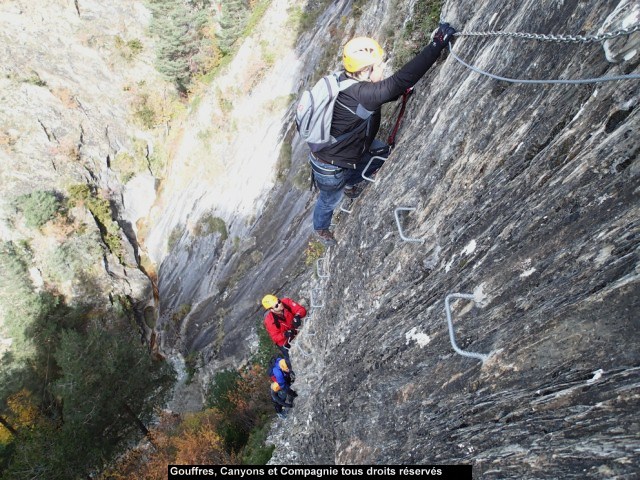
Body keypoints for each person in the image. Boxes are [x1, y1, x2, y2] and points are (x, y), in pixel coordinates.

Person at [310, 23, 457, 246]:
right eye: (378, 65)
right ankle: (321, 228)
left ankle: (350, 184)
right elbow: (401, 81)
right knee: (330, 199)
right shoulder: (362, 93)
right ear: (366, 70)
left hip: (340, 150)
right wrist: (436, 44)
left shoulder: (343, 80)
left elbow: (372, 106)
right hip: (330, 165)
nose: (382, 68)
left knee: (381, 152)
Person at [262, 294, 307, 361]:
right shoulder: (269, 321)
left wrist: (298, 316)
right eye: (276, 306)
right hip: (285, 343)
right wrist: (285, 334)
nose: (280, 304)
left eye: (279, 301)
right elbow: (275, 337)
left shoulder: (286, 302)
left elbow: (301, 309)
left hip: (294, 332)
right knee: (292, 360)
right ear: (271, 310)